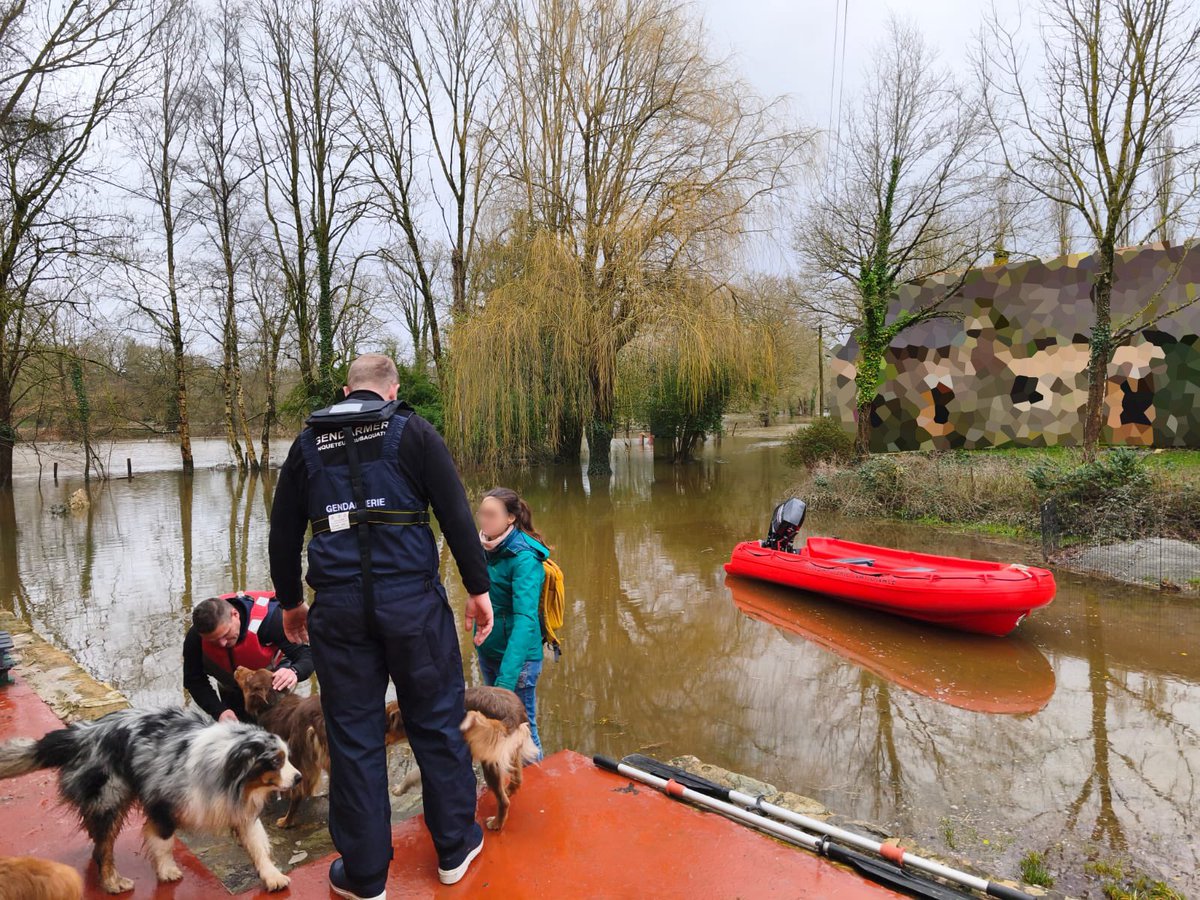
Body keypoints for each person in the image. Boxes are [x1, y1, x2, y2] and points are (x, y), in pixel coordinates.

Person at [269, 354, 493, 900]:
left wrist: (292, 605)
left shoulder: (306, 444)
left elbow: (281, 533)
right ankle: (454, 848)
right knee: (437, 722)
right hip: (413, 607)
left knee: (353, 736)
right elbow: (458, 518)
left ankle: (366, 877)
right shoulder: (413, 431)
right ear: (390, 391)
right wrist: (479, 590)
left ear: (347, 390)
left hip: (339, 613)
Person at [475, 487, 548, 755]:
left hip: (519, 661)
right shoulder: (484, 547)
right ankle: (509, 784)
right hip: (490, 652)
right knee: (499, 731)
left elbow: (525, 621)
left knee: (524, 733)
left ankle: (537, 787)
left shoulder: (524, 557)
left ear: (510, 519)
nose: (484, 520)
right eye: (482, 513)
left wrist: (504, 685)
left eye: (491, 515)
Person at [182, 592, 314, 723]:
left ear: (235, 615)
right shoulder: (195, 638)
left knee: (280, 730)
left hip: (271, 686)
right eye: (214, 640)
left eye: (225, 634)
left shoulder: (271, 621)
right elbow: (194, 680)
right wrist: (219, 711)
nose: (222, 644)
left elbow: (308, 655)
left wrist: (294, 671)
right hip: (230, 686)